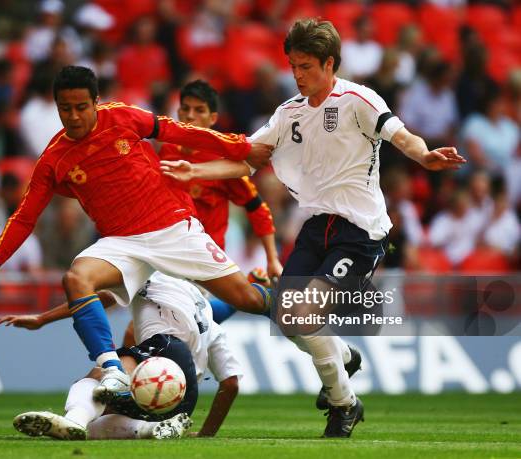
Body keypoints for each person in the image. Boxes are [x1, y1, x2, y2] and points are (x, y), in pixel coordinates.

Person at [161, 19, 465, 438]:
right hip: (317, 226)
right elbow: (247, 160)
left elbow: (400, 135)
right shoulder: (289, 113)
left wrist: (425, 155)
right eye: (293, 65)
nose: (297, 74)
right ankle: (344, 356)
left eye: (305, 66)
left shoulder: (359, 99)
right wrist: (192, 169)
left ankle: (344, 405)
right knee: (287, 316)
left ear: (329, 63)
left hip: (361, 232)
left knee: (304, 312)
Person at [0, 66, 272, 408]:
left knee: (248, 300)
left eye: (81, 107)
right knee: (77, 278)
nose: (74, 116)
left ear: (95, 102)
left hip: (172, 227)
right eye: (66, 108)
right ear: (57, 107)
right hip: (122, 243)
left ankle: (284, 299)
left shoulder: (122, 116)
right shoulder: (53, 159)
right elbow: (24, 217)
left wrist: (241, 146)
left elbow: (176, 131)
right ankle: (111, 369)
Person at [0, 271, 241, 440]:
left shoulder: (153, 274)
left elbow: (95, 299)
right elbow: (230, 384)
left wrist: (42, 319)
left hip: (166, 352)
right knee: (103, 419)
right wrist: (206, 434)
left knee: (102, 375)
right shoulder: (209, 316)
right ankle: (150, 429)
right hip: (183, 400)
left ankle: (74, 418)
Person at [160, 79, 282, 278]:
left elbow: (256, 207)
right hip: (170, 254)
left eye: (199, 110)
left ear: (213, 118)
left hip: (207, 262)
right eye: (185, 108)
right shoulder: (167, 151)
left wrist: (272, 259)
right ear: (178, 112)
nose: (190, 116)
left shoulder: (223, 162)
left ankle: (259, 293)